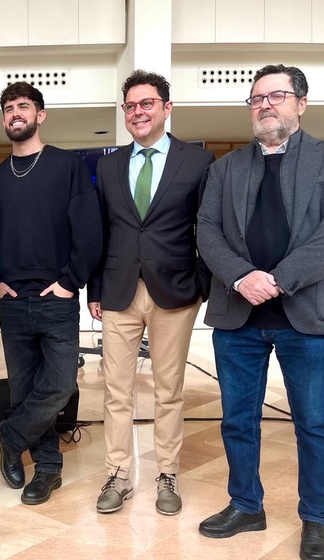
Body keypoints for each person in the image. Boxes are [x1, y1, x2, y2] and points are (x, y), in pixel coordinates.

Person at [196, 64, 324, 560]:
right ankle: (246, 505)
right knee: (237, 420)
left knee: (314, 423)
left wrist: (279, 279)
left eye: (277, 95)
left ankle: (316, 520)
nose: (264, 105)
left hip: (308, 319)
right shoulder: (225, 168)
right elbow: (207, 230)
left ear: (301, 104)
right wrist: (242, 277)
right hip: (238, 318)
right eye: (256, 98)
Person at [87, 70, 215, 516]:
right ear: (123, 113)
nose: (138, 112)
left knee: (169, 390)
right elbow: (100, 232)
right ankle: (119, 474)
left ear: (167, 108)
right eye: (130, 106)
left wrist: (201, 282)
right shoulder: (107, 164)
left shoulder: (197, 162)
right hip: (119, 293)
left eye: (147, 104)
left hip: (176, 293)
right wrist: (95, 288)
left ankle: (167, 474)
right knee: (115, 390)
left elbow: (210, 227)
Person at [0, 81, 102, 506]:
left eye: (23, 106)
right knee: (23, 390)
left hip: (57, 297)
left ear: (40, 115)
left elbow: (88, 229)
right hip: (12, 301)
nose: (15, 114)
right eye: (8, 109)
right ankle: (47, 470)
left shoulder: (66, 166)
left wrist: (71, 280)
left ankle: (10, 435)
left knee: (59, 385)